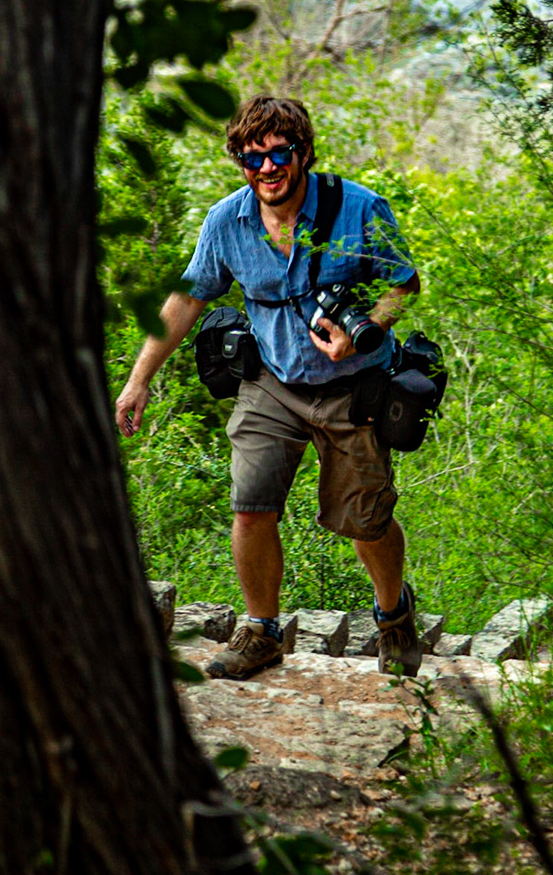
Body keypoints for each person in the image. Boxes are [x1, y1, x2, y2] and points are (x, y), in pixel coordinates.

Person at [115, 95, 424, 680]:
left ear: (302, 152)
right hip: (271, 381)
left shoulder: (359, 208)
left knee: (367, 521)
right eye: (251, 159)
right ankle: (262, 631)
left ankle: (393, 614)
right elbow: (187, 298)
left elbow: (402, 283)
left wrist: (368, 329)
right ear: (239, 161)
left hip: (352, 385)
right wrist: (139, 380)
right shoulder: (226, 221)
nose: (267, 170)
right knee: (251, 506)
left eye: (279, 155)